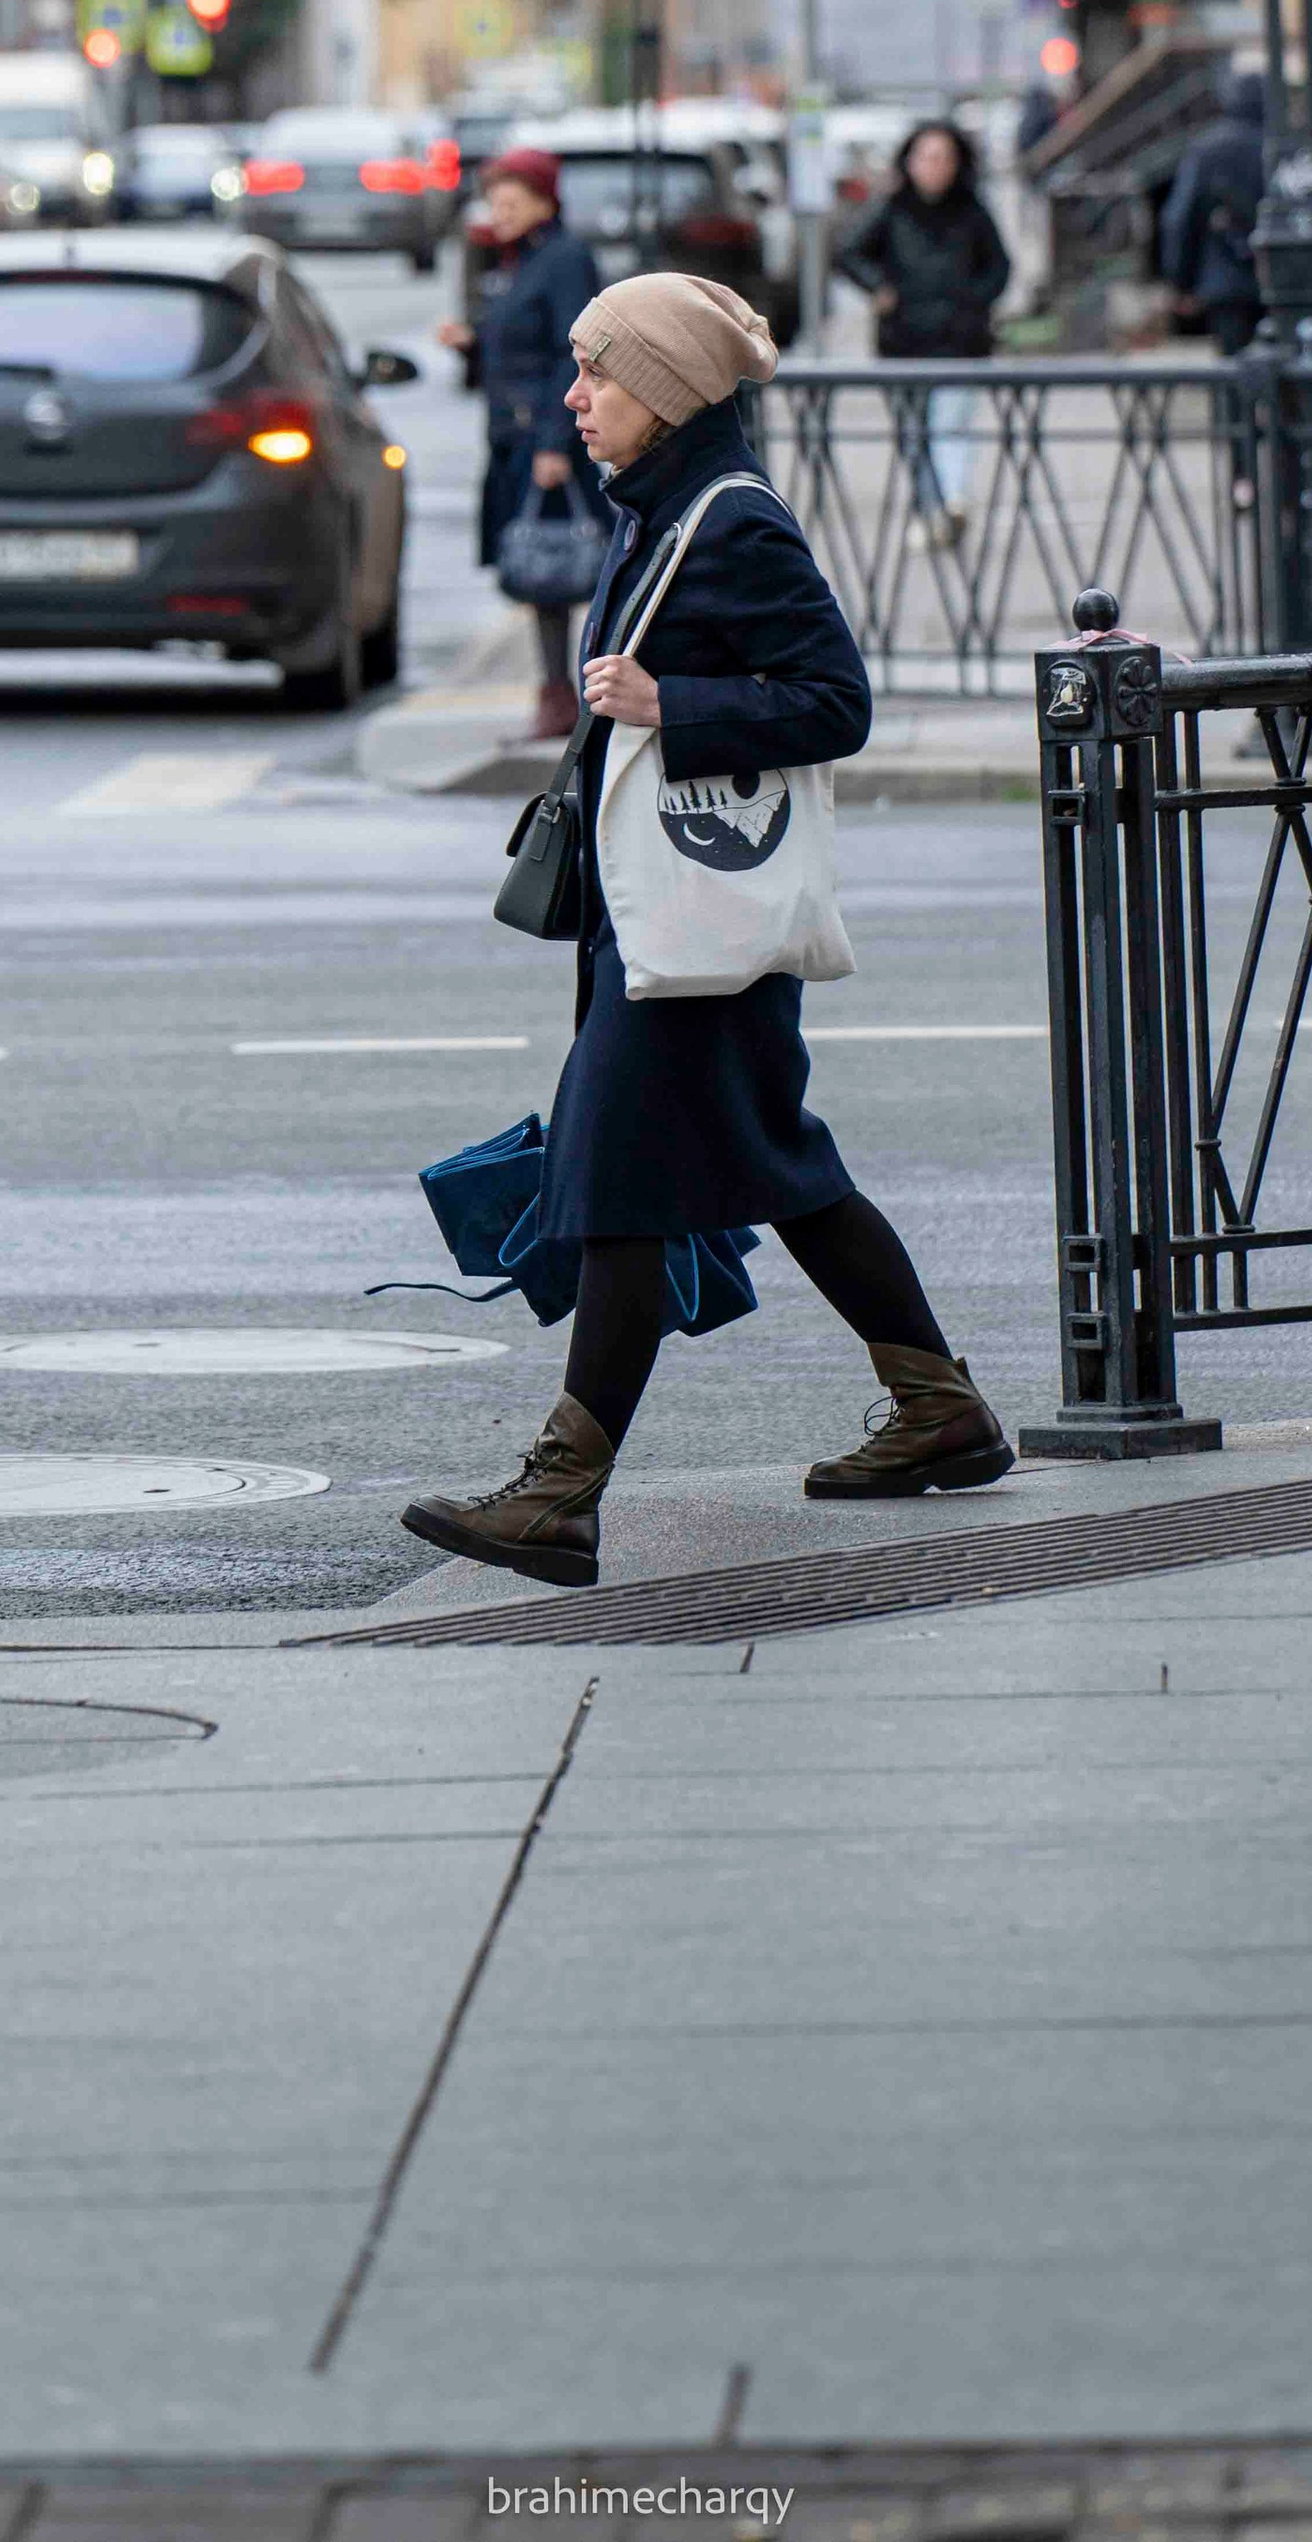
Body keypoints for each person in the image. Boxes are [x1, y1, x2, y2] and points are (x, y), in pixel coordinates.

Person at [401, 270, 1012, 1590]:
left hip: (699, 918)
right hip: (669, 912)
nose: (574, 397)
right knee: (773, 1163)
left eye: (598, 375)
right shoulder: (660, 508)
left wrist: (677, 699)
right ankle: (938, 1405)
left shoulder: (729, 524)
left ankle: (561, 1492)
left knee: (623, 1175)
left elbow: (833, 700)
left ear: (667, 391)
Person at [441, 149, 603, 742]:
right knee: (546, 575)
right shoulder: (520, 260)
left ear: (543, 202)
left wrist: (555, 444)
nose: (498, 213)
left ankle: (588, 694)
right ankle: (559, 695)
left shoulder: (564, 259)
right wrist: (473, 342)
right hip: (516, 436)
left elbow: (571, 352)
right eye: (494, 202)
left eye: (510, 203)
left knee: (571, 565)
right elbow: (520, 340)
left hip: (546, 440)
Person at [835, 117, 1013, 544]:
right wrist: (878, 288)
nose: (936, 167)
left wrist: (974, 301)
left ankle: (952, 502)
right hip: (903, 342)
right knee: (914, 433)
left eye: (944, 158)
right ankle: (932, 511)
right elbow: (848, 253)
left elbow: (1000, 268)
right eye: (927, 157)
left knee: (951, 424)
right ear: (910, 161)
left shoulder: (972, 210)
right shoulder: (890, 208)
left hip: (959, 341)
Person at [1161, 68, 1267, 358]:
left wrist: (1180, 280)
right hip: (1278, 278)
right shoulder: (1280, 145)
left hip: (1225, 281)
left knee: (1233, 376)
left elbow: (1180, 218)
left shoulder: (1207, 149)